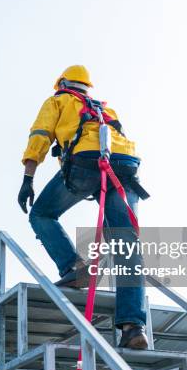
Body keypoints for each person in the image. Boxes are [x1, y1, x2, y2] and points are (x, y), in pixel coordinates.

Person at [17, 65, 150, 349]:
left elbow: (40, 135)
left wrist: (28, 178)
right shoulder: (105, 109)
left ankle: (74, 266)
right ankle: (133, 327)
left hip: (86, 162)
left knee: (41, 214)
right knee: (127, 246)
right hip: (125, 167)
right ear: (86, 88)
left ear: (63, 83)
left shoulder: (58, 100)